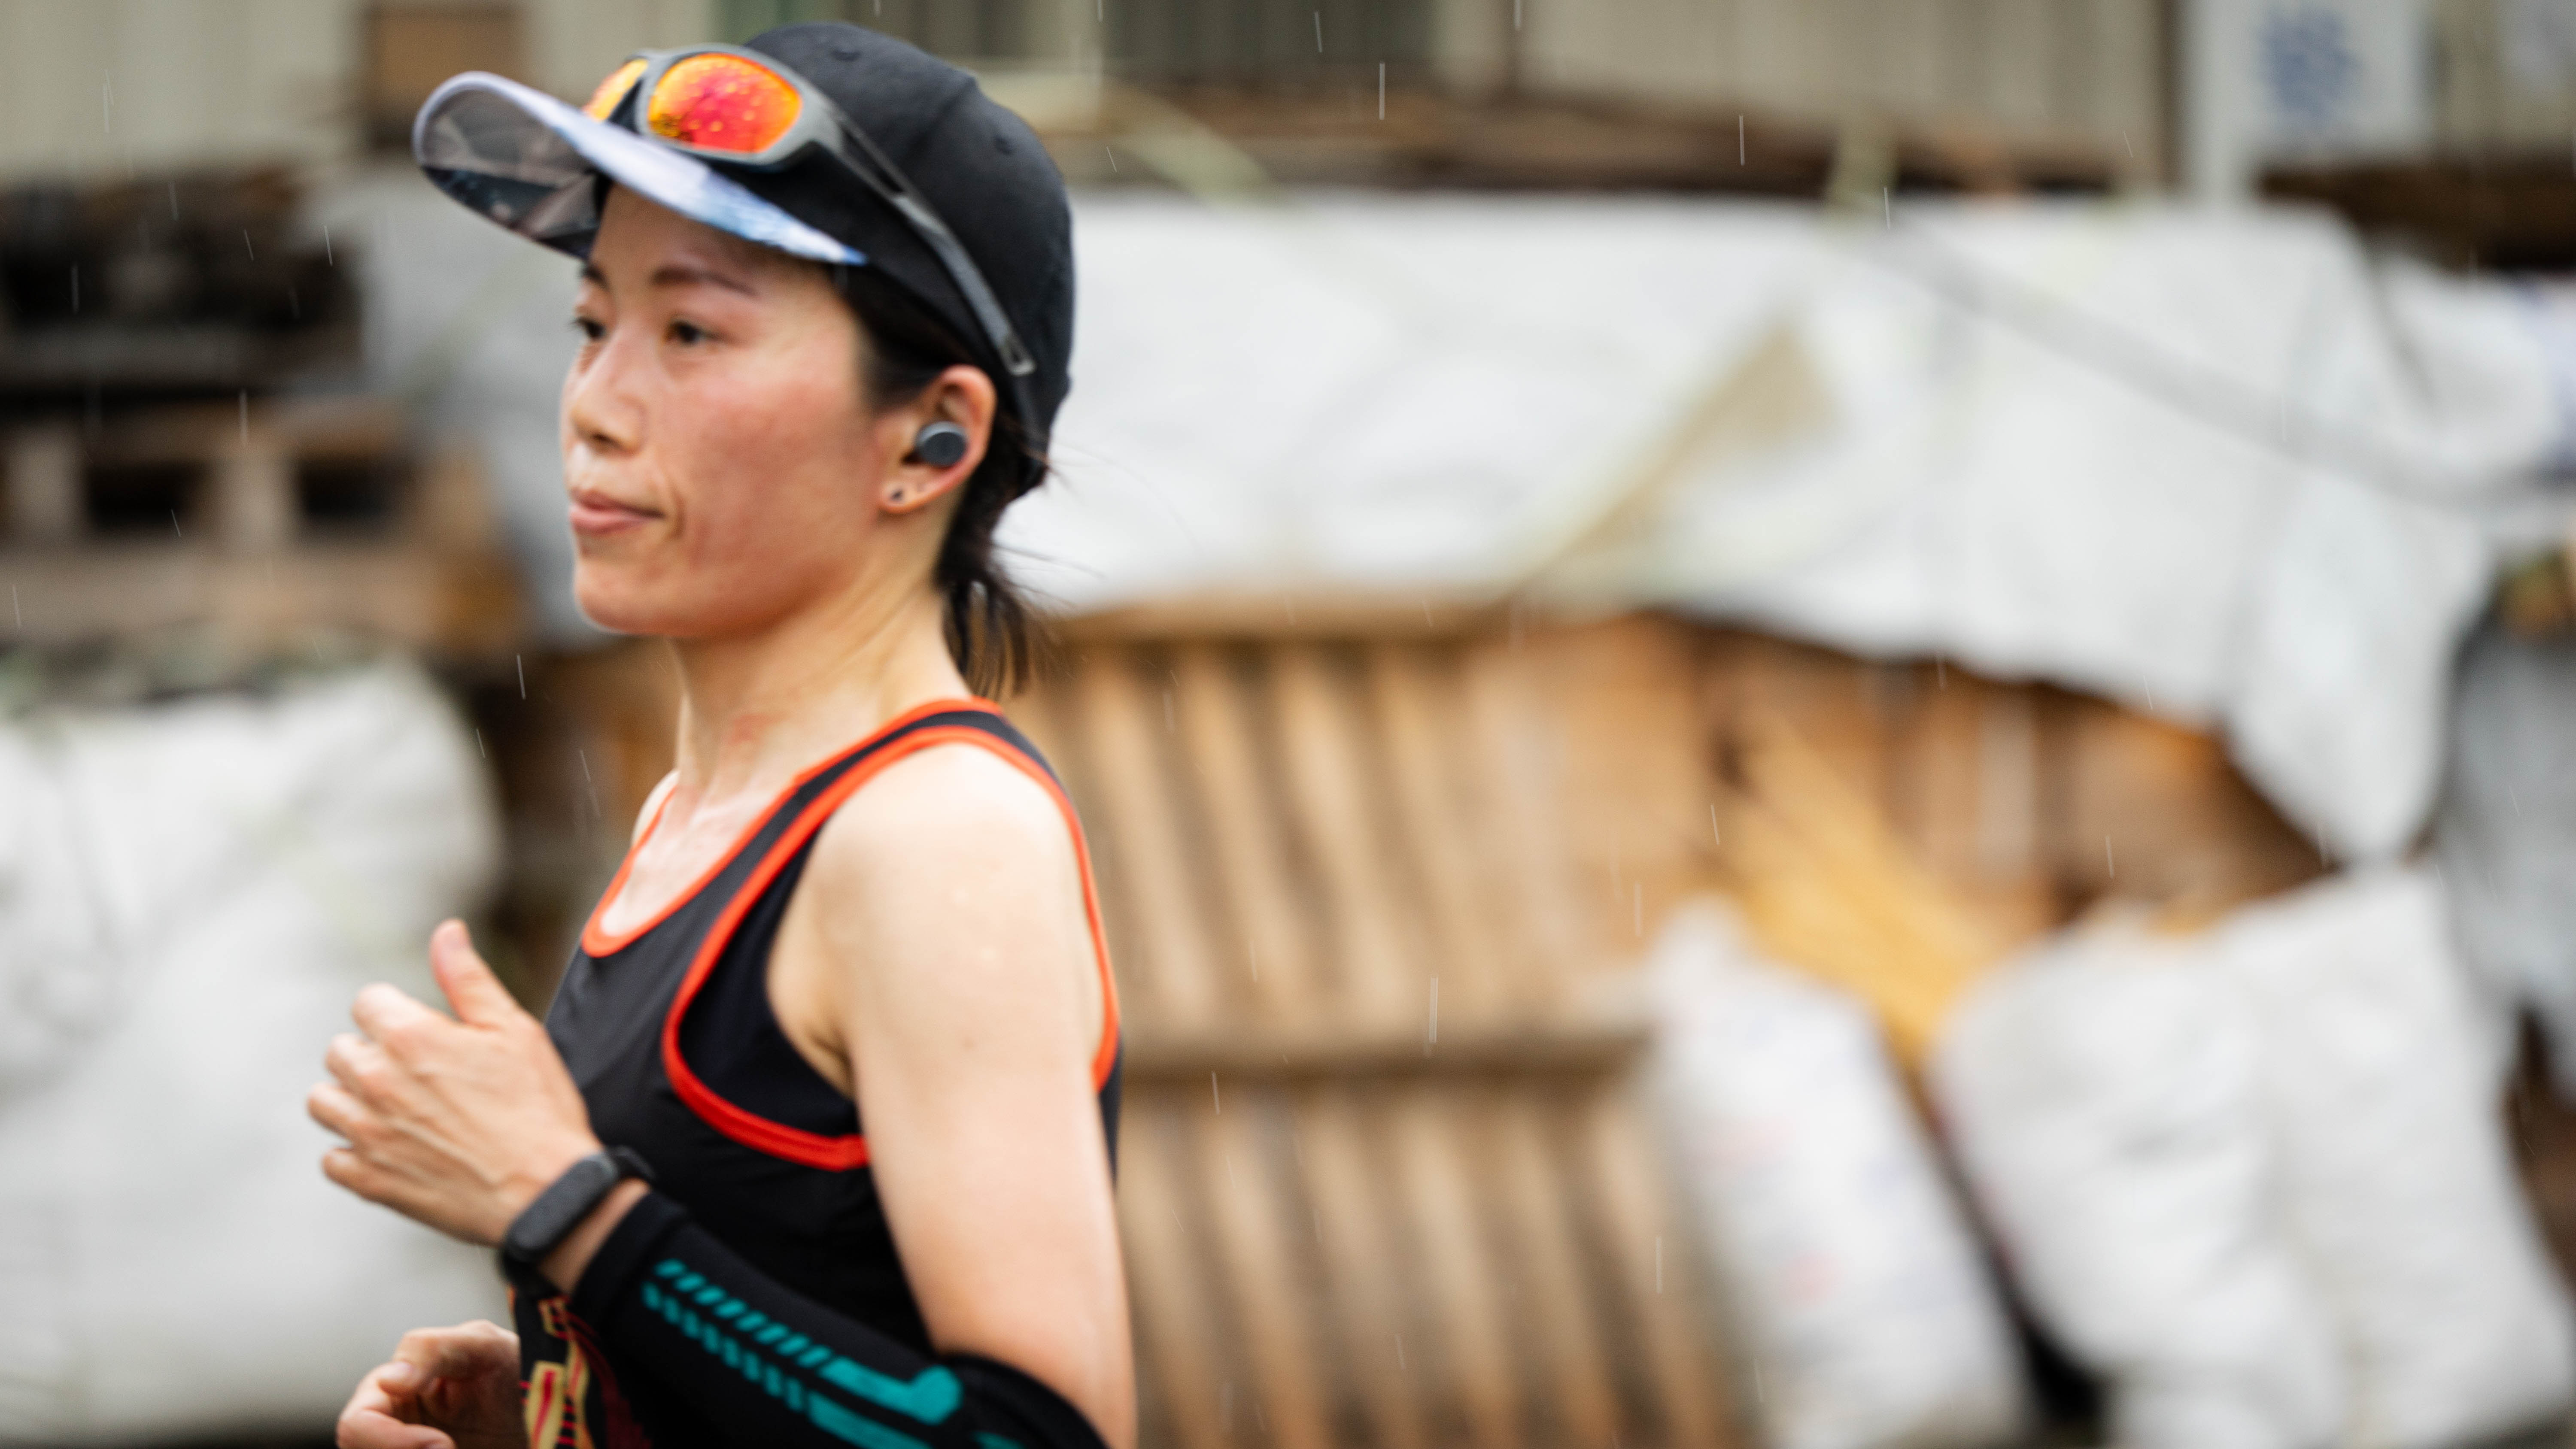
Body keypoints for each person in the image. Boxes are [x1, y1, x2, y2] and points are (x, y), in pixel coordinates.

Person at [305, 23, 1130, 1449]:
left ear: (930, 439)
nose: (596, 407)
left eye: (690, 332)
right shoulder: (692, 816)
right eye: (593, 324)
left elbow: (1034, 1434)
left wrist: (566, 1211)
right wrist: (573, 1395)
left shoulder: (931, 839)